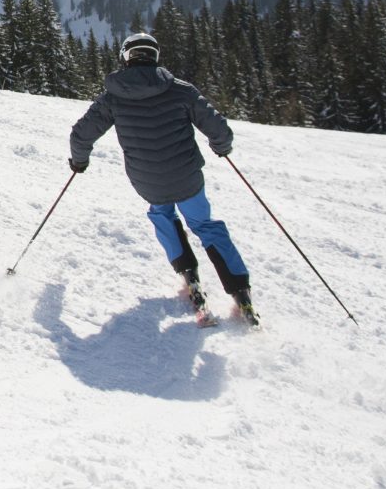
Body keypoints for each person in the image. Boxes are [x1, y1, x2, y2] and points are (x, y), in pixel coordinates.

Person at [69, 31, 254, 324]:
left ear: (126, 57)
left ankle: (188, 274)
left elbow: (81, 135)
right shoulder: (181, 90)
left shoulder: (112, 98)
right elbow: (219, 129)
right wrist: (222, 147)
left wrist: (79, 162)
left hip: (147, 180)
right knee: (205, 225)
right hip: (187, 177)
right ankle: (240, 292)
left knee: (162, 214)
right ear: (154, 56)